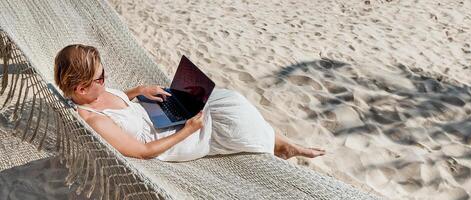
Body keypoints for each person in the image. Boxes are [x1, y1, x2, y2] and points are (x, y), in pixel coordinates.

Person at [54, 44, 325, 161]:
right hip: (166, 141)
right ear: (80, 88)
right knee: (231, 121)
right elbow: (141, 152)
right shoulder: (94, 119)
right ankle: (280, 146)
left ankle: (278, 141)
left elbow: (115, 103)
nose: (105, 78)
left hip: (156, 115)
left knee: (228, 99)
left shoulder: (94, 92)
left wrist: (138, 91)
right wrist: (188, 130)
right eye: (101, 77)